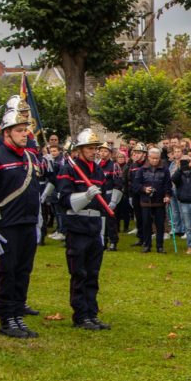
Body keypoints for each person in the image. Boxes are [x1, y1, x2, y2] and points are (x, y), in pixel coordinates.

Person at [0, 104, 43, 339]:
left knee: (23, 271)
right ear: (6, 133)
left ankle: (17, 314)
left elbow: (34, 191)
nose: (25, 133)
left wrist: (37, 222)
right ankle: (6, 318)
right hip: (6, 225)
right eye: (19, 130)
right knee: (7, 273)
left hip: (27, 223)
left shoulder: (30, 158)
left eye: (26, 129)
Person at [57, 129, 112, 329]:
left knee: (93, 274)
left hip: (94, 227)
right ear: (79, 149)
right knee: (79, 273)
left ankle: (92, 313)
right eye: (90, 148)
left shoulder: (97, 171)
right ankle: (80, 315)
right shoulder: (69, 169)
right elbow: (64, 200)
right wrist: (85, 196)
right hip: (77, 227)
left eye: (96, 148)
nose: (94, 151)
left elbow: (103, 201)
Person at [133, 146, 173, 253]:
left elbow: (168, 185)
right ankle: (147, 245)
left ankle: (160, 246)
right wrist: (144, 189)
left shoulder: (165, 169)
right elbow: (136, 185)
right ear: (148, 157)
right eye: (153, 158)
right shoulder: (142, 170)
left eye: (157, 158)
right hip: (146, 202)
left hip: (160, 202)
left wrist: (167, 196)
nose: (155, 160)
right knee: (146, 224)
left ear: (160, 158)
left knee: (160, 224)